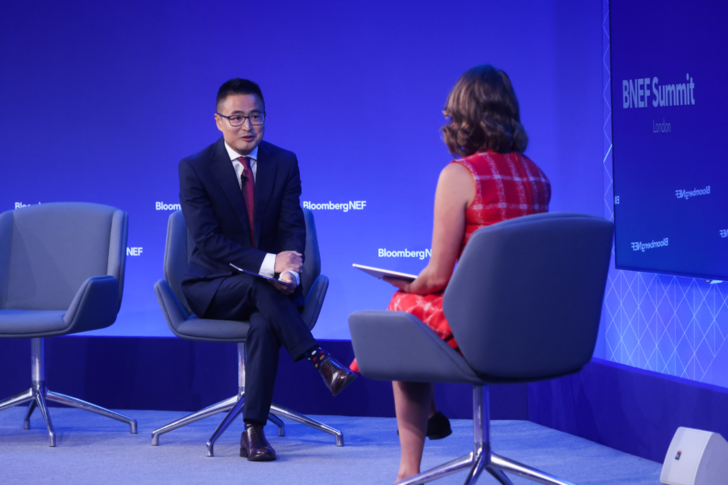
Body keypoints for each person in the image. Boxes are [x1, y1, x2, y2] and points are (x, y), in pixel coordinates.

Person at [380, 65, 551, 482]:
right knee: (411, 314)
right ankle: (432, 412)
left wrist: (406, 283)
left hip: (477, 326)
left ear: (465, 119)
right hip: (530, 326)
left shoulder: (460, 176)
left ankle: (409, 470)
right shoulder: (538, 178)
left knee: (399, 314)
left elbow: (438, 277)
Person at [179, 78, 357, 462]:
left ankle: (252, 431)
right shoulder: (194, 168)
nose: (248, 126)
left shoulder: (284, 161)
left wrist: (289, 271)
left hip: (270, 287)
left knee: (263, 319)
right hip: (212, 285)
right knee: (260, 288)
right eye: (237, 117)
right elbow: (207, 241)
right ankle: (319, 360)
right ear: (218, 121)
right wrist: (270, 265)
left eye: (256, 116)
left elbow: (293, 226)